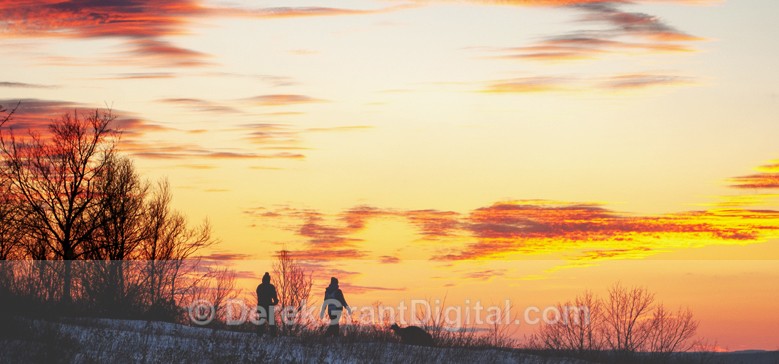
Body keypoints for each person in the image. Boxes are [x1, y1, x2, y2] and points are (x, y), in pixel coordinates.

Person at [256, 272, 279, 336]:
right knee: (271, 322)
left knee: (261, 321)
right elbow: (274, 296)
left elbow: (259, 295)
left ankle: (259, 335)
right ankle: (273, 335)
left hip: (261, 306)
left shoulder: (260, 287)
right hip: (268, 306)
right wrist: (275, 301)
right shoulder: (270, 287)